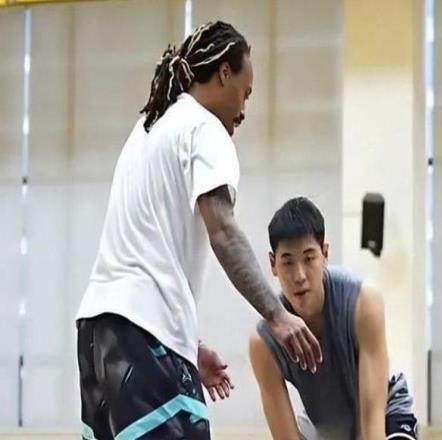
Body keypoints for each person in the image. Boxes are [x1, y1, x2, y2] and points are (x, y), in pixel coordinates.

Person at [75, 22, 321, 440]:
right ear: (224, 73)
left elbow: (147, 248)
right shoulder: (205, 129)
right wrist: (278, 315)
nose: (243, 110)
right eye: (245, 92)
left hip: (97, 334)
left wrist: (187, 344)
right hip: (143, 334)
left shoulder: (148, 128)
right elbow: (223, 231)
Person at [250, 197, 418, 440]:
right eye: (287, 262)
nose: (299, 275)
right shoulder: (264, 343)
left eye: (309, 258)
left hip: (384, 413)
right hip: (325, 429)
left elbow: (373, 422)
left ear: (325, 254)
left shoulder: (363, 303)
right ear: (273, 264)